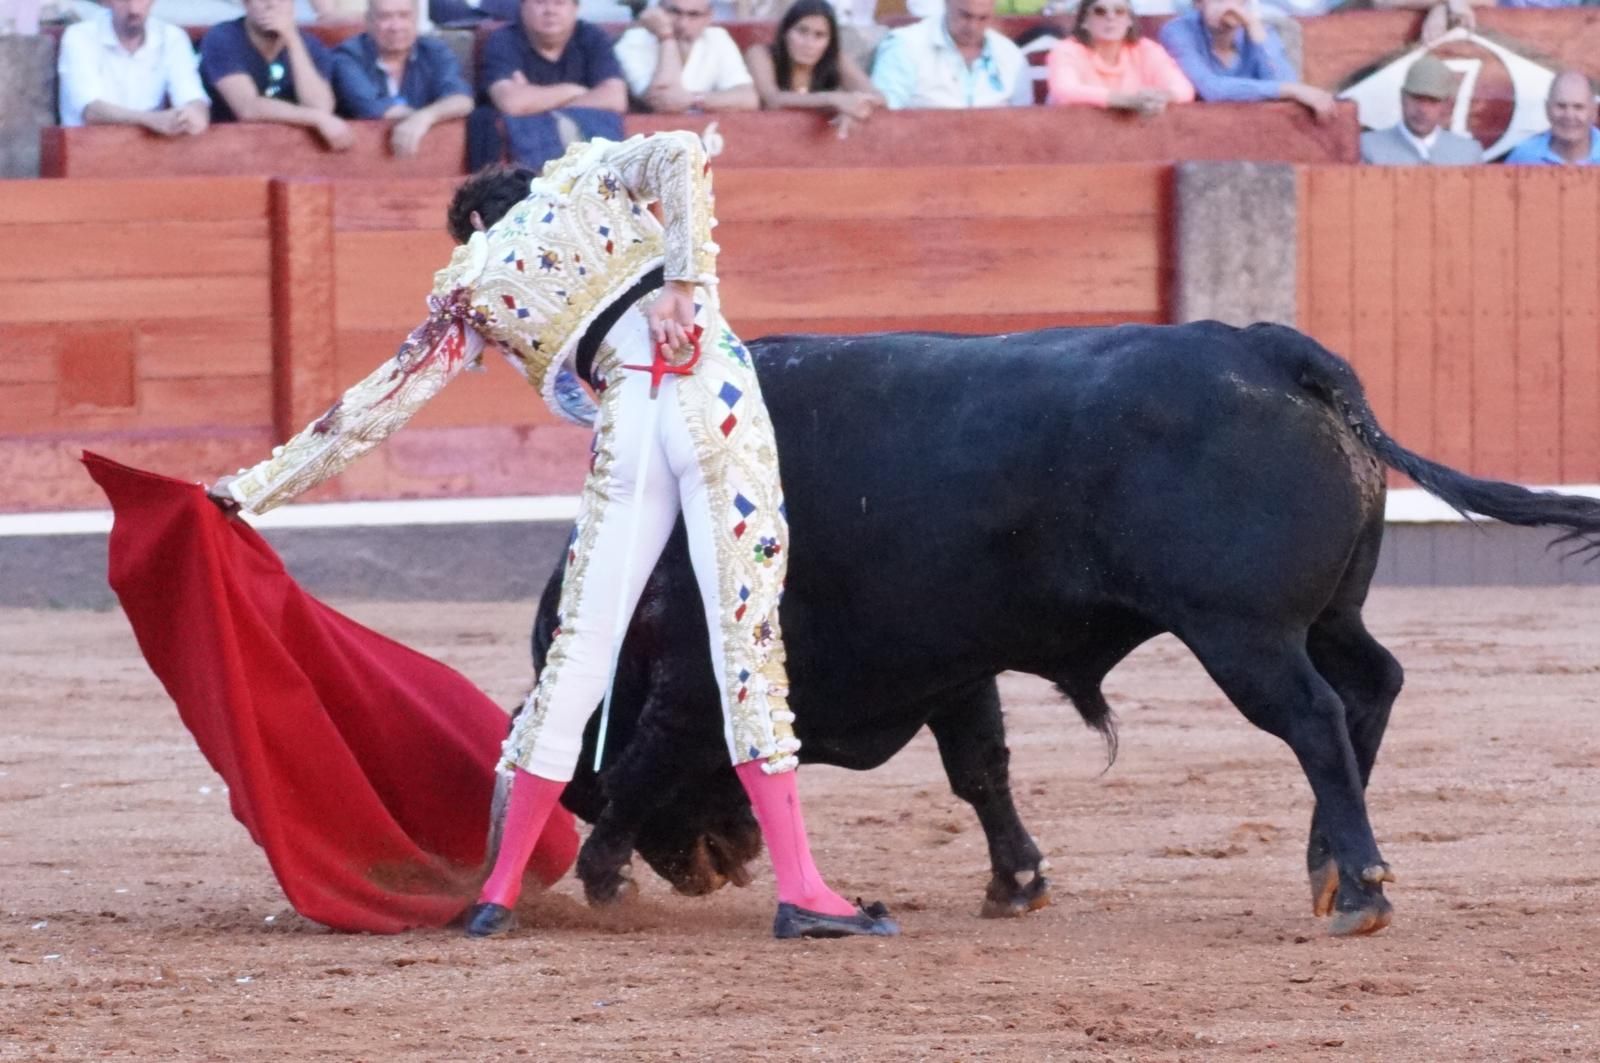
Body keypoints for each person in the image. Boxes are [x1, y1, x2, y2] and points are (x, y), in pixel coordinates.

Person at [205, 131, 900, 942]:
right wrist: (684, 282)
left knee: (579, 651)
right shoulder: (588, 180)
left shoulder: (476, 283)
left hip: (626, 422)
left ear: (470, 229)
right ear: (530, 188)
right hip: (707, 389)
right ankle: (804, 887)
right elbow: (681, 150)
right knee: (741, 639)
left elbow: (374, 406)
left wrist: (251, 488)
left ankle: (499, 890)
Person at [469, 0, 627, 169]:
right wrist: (576, 91)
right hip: (525, 164)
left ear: (575, 8)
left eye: (559, 3)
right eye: (540, 2)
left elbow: (615, 98)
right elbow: (511, 102)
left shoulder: (593, 37)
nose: (550, 10)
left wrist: (535, 103)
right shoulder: (503, 40)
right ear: (523, 6)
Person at [198, 0, 352, 150]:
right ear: (246, 4)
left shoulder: (310, 46)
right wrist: (316, 118)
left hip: (292, 150)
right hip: (229, 149)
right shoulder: (222, 38)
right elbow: (247, 107)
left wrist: (292, 39)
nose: (272, 4)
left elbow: (320, 106)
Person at [331, 0, 472, 156]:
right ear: (368, 21)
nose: (396, 27)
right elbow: (369, 107)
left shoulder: (435, 51)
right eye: (385, 17)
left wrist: (424, 118)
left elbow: (461, 99)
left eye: (404, 16)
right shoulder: (348, 56)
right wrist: (433, 114)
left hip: (427, 159)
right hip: (362, 159)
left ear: (416, 19)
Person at [1157, 0, 1336, 122]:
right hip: (1203, 132)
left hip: (1258, 131)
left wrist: (1255, 30)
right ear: (1198, 3)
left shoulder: (1261, 31)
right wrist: (1289, 90)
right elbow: (1211, 90)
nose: (1230, 7)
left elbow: (1285, 83)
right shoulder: (1178, 31)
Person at [57, 0, 210, 133]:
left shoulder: (172, 37)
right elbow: (90, 110)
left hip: (148, 151)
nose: (134, 9)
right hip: (85, 150)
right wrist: (150, 120)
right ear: (106, 1)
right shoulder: (79, 37)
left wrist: (195, 113)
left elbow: (191, 95)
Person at [743, 0, 883, 137]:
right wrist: (832, 100)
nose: (809, 43)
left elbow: (878, 98)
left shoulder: (834, 57)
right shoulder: (760, 53)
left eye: (819, 35)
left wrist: (852, 108)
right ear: (786, 32)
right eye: (802, 31)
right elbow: (772, 100)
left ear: (829, 41)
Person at [870, 0, 1032, 111]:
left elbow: (1025, 120)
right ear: (947, 3)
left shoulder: (1011, 55)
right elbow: (885, 114)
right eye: (965, 15)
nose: (973, 27)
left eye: (983, 18)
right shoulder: (905, 46)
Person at [1045, 0, 1193, 113]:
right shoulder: (1066, 50)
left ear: (1129, 20)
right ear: (1084, 21)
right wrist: (1126, 100)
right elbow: (1065, 91)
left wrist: (1163, 97)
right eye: (1100, 11)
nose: (1111, 17)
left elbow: (1184, 89)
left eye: (1120, 11)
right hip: (1075, 135)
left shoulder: (1146, 49)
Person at [613, 0, 757, 114]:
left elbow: (748, 98)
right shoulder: (633, 40)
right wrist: (666, 37)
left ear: (709, 17)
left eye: (693, 14)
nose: (682, 23)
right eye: (674, 12)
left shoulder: (717, 37)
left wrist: (693, 100)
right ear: (658, 10)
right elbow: (662, 102)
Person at [1359, 53, 1483, 165]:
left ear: (1446, 105)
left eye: (1432, 101)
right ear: (1402, 97)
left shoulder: (1468, 154)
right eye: (1417, 98)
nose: (1423, 109)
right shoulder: (1368, 148)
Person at [1505, 69, 1600, 165]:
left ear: (1594, 111)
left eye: (1578, 107)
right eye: (1561, 106)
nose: (1569, 115)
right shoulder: (1524, 157)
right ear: (1547, 109)